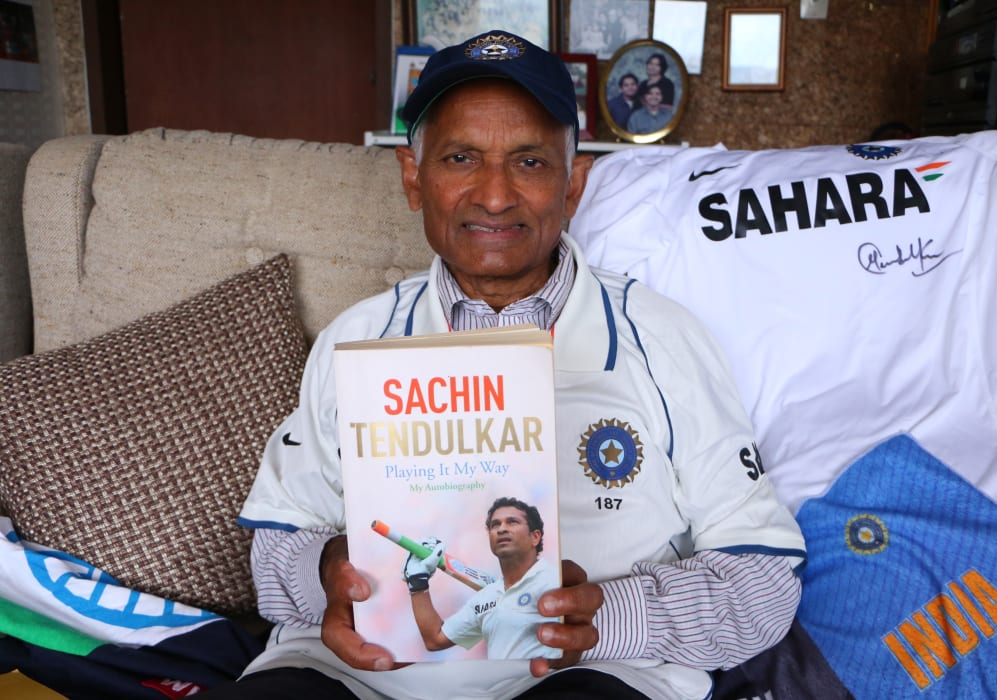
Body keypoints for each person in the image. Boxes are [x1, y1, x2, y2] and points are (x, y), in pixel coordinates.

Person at [205, 28, 806, 700]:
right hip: (359, 678)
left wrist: (609, 616)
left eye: (529, 162)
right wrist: (325, 572)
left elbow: (764, 579)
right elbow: (272, 551)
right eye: (460, 157)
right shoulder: (358, 340)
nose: (494, 196)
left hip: (590, 675)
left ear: (573, 186)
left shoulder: (662, 340)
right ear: (413, 177)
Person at [405, 497, 560, 660]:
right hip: (502, 685)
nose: (501, 529)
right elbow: (435, 640)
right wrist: (417, 582)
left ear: (535, 537)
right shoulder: (487, 596)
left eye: (512, 522)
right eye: (495, 525)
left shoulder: (554, 582)